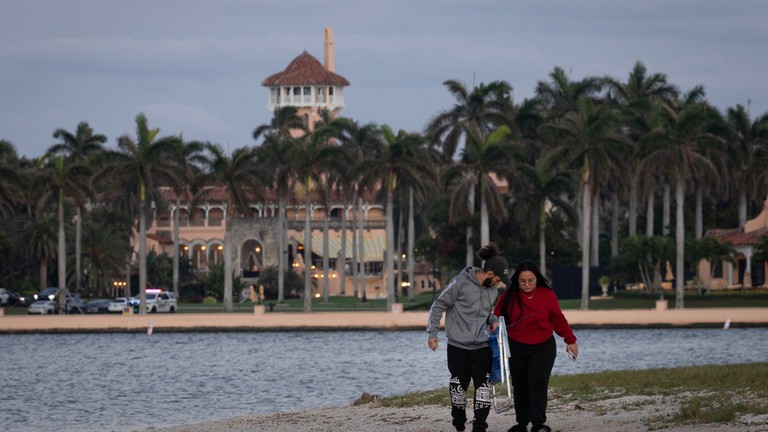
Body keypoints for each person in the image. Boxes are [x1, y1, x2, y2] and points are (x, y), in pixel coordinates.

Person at [427, 244, 512, 432]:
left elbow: (486, 315)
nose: (499, 283)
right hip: (458, 347)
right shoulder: (460, 283)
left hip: (482, 346)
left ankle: (479, 426)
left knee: (484, 388)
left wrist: (494, 321)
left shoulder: (492, 291)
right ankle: (458, 420)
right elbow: (438, 306)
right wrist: (433, 333)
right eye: (498, 279)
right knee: (458, 387)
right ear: (489, 273)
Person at [493, 259, 578, 432]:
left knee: (538, 383)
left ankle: (538, 423)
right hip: (515, 346)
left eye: (530, 280)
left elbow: (558, 320)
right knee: (520, 385)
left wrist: (570, 340)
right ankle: (522, 423)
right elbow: (496, 317)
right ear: (517, 280)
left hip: (543, 346)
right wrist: (493, 328)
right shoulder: (509, 295)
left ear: (537, 279)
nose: (527, 284)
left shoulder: (547, 295)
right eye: (523, 281)